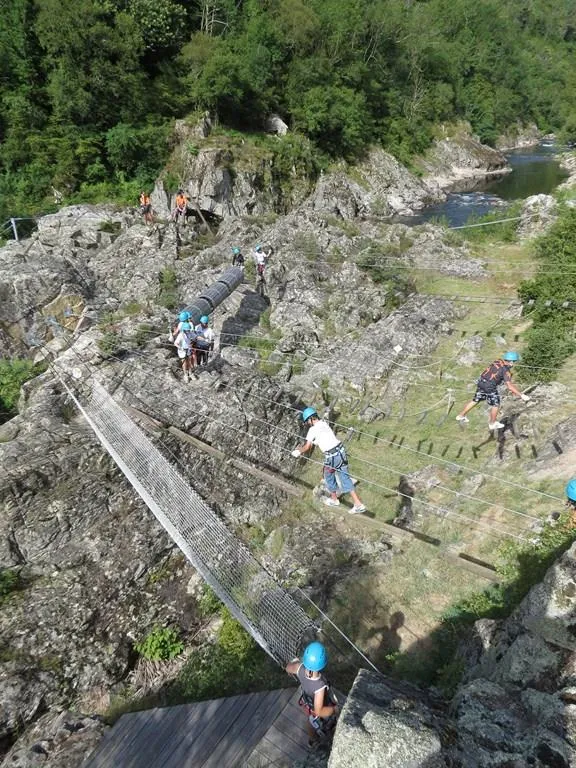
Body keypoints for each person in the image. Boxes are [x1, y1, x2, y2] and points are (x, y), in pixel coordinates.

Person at [291, 407, 367, 514]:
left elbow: (307, 447)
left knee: (328, 475)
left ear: (310, 419)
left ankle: (334, 499)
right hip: (341, 452)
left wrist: (298, 451)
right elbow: (325, 437)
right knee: (345, 477)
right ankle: (358, 504)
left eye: (307, 421)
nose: (308, 423)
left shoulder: (312, 430)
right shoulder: (324, 423)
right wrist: (317, 442)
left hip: (332, 457)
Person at [455, 351, 531, 430]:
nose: (514, 364)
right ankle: (492, 423)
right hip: (489, 386)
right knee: (496, 404)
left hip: (481, 382)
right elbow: (509, 386)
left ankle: (461, 415)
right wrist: (521, 395)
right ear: (511, 361)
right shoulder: (506, 371)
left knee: (475, 400)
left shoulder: (497, 361)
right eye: (514, 362)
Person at [285, 642, 339, 748]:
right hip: (320, 709)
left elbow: (288, 668)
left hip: (308, 702)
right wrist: (334, 709)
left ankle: (313, 740)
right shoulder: (320, 686)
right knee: (328, 723)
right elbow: (319, 711)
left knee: (310, 721)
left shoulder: (299, 668)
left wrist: (294, 663)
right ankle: (331, 739)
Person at [173, 311, 196, 380]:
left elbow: (194, 336)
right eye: (187, 330)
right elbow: (176, 343)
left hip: (188, 348)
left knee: (189, 361)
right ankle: (186, 374)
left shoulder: (188, 329)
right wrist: (180, 347)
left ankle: (190, 373)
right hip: (182, 349)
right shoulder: (181, 335)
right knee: (184, 362)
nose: (188, 331)